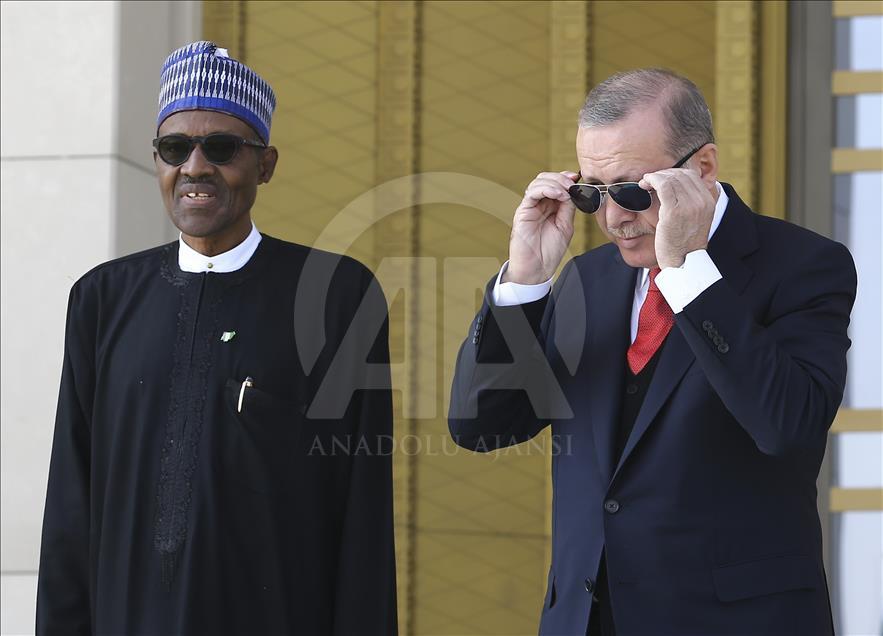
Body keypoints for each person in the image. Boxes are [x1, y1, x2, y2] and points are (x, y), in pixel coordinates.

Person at [448, 68, 856, 635]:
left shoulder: (806, 265)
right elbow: (481, 426)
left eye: (635, 190)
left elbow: (788, 424)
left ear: (703, 167)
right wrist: (524, 283)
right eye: (593, 193)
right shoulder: (585, 280)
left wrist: (689, 273)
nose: (614, 218)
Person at [37, 41, 397, 635]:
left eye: (222, 147)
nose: (195, 167)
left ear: (266, 164)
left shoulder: (337, 296)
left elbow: (362, 514)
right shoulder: (102, 299)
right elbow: (71, 503)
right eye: (175, 148)